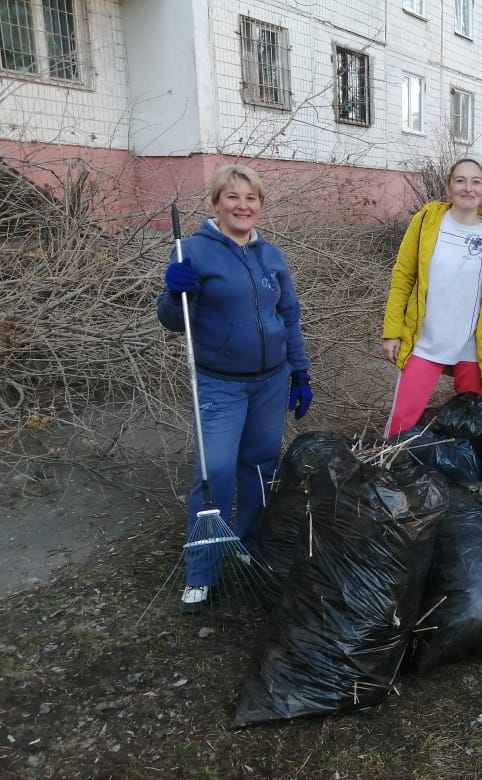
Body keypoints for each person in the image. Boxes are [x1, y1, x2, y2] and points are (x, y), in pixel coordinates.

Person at [157, 164, 312, 614]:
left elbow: (289, 317)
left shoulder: (272, 256)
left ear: (260, 204)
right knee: (216, 472)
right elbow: (172, 321)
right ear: (216, 203)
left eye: (251, 198)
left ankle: (249, 544)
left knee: (261, 468)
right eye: (233, 197)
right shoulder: (193, 253)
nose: (242, 206)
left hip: (270, 380)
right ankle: (202, 571)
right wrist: (173, 293)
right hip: (219, 384)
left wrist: (300, 373)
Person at [381, 159, 482, 436]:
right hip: (425, 343)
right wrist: (392, 331)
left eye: (476, 181)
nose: (468, 188)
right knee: (401, 423)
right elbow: (403, 276)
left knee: (473, 426)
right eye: (460, 181)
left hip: (473, 349)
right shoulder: (427, 223)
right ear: (448, 187)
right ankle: (390, 472)